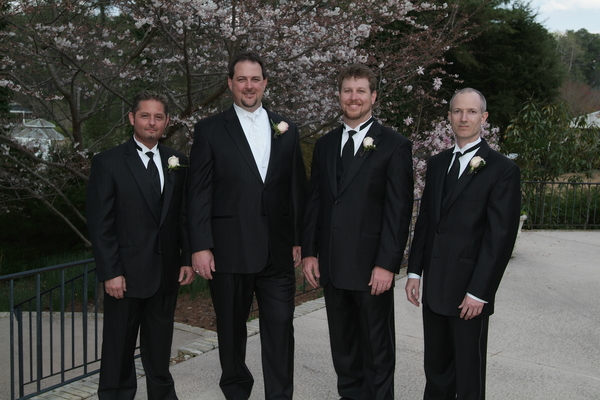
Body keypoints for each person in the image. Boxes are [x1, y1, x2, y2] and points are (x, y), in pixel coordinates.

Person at [187, 51, 306, 400]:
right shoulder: (209, 130)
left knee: (281, 330)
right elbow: (198, 193)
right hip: (228, 251)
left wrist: (299, 239)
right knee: (231, 332)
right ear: (230, 84)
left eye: (255, 79)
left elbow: (296, 189)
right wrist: (200, 245)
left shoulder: (287, 129)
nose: (249, 86)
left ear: (265, 83)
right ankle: (237, 392)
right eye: (241, 79)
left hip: (277, 254)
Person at [302, 64, 414, 399]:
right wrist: (310, 252)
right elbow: (315, 201)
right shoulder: (325, 145)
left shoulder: (394, 145)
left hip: (371, 269)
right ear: (339, 96)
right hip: (333, 266)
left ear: (373, 97)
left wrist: (387, 264)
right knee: (344, 349)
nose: (354, 97)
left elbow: (398, 212)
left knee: (377, 350)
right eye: (348, 90)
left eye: (361, 91)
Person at [405, 88, 521, 400]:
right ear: (449, 117)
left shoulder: (503, 170)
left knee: (468, 376)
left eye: (471, 112)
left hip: (470, 292)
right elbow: (426, 221)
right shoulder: (437, 163)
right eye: (457, 111)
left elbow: (499, 238)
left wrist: (479, 292)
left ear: (484, 117)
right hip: (435, 288)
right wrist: (414, 272)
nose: (464, 118)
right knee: (436, 371)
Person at [86, 90, 195, 400]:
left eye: (158, 117)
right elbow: (100, 224)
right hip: (125, 277)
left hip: (165, 275)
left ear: (167, 122)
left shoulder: (178, 161)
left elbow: (184, 216)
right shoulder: (107, 162)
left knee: (159, 351)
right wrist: (111, 272)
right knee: (118, 351)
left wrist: (186, 258)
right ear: (132, 118)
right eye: (145, 116)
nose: (151, 122)